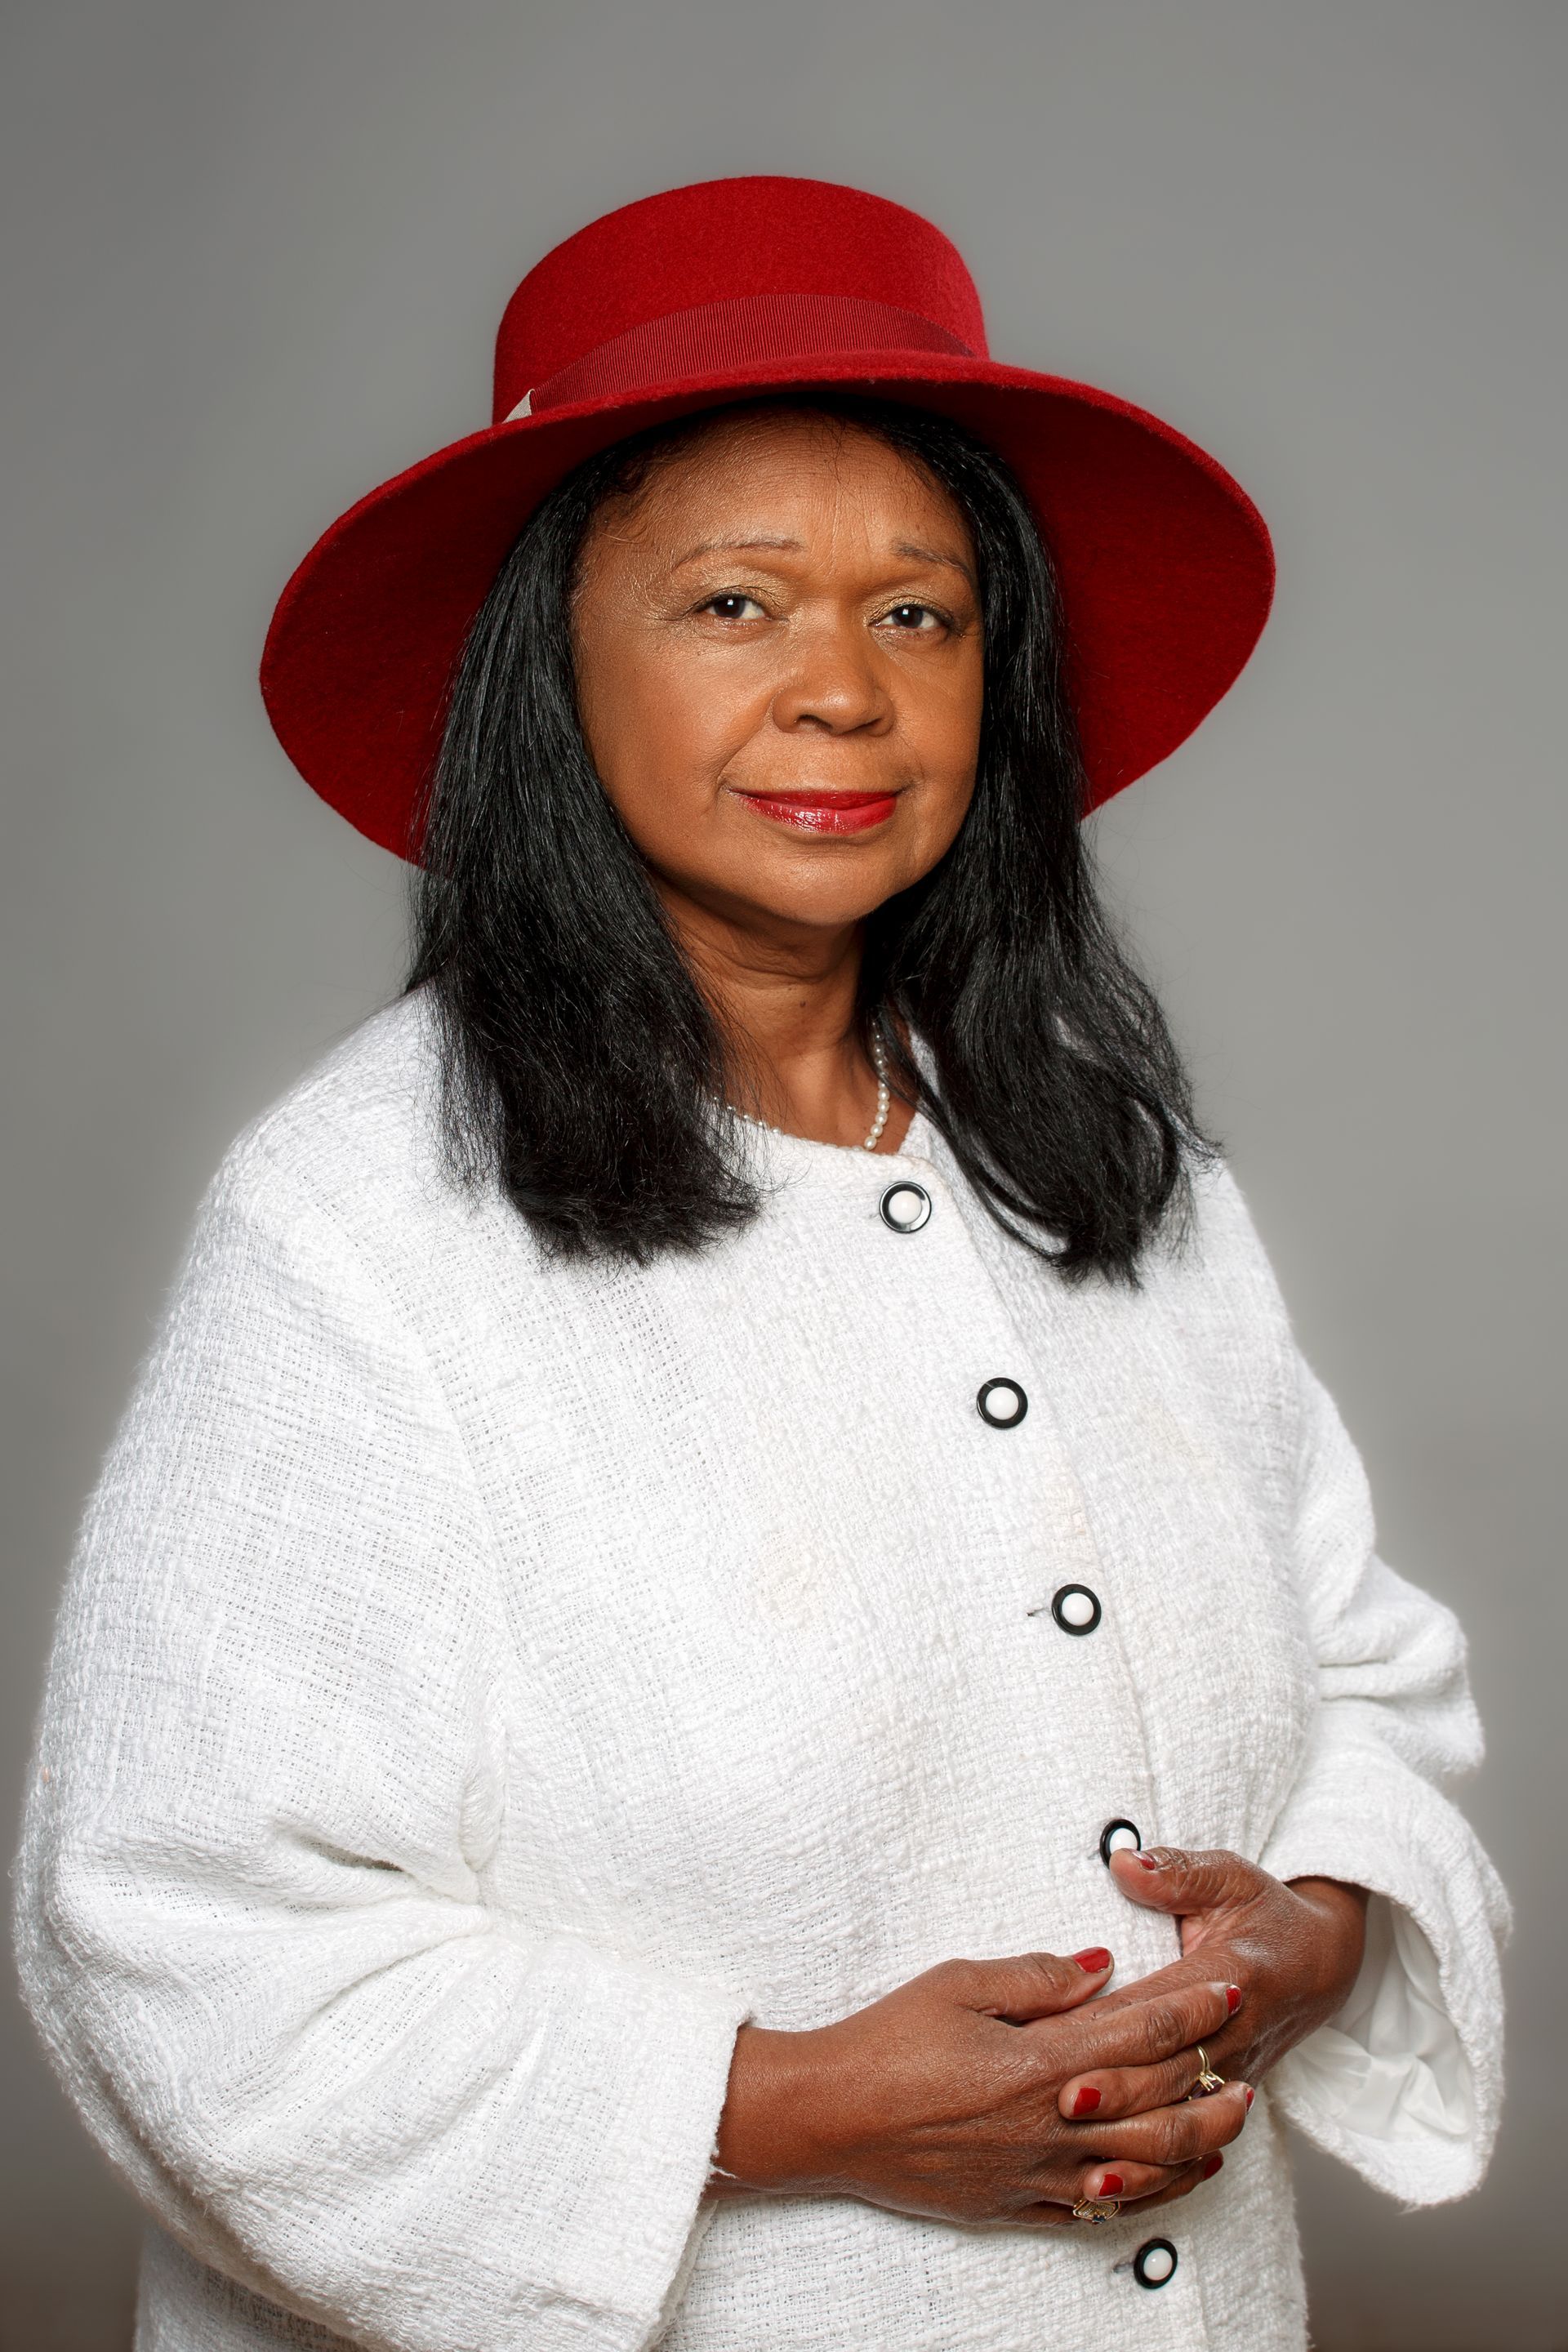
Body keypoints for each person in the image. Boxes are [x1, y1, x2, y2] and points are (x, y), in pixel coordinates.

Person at [14, 176, 1507, 2352]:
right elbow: (176, 1933)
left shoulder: (1116, 1162)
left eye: (920, 614)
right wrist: (785, 2111)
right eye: (736, 604)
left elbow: (1364, 1663)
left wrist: (1329, 1924)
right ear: (552, 669)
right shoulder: (359, 1230)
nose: (845, 694)